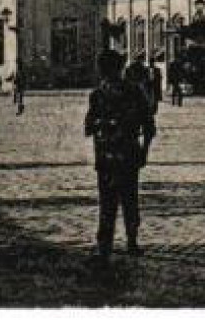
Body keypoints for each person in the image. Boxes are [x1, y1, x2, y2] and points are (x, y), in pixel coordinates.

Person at [86, 49, 156, 260]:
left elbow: (88, 127)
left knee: (108, 201)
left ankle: (106, 244)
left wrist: (102, 125)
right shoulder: (133, 92)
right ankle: (130, 241)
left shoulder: (98, 95)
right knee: (128, 199)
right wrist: (144, 151)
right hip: (125, 154)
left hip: (108, 155)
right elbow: (149, 127)